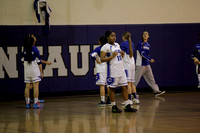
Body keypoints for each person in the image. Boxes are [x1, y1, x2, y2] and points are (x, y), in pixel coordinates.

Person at [101, 30, 137, 113]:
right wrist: (112, 56)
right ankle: (114, 106)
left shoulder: (117, 44)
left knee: (125, 87)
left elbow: (121, 53)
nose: (114, 37)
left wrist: (122, 53)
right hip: (112, 71)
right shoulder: (105, 47)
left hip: (121, 70)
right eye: (111, 36)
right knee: (112, 89)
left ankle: (127, 105)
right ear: (107, 37)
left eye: (115, 36)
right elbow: (102, 59)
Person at [134, 31, 165, 97]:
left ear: (148, 36)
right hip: (140, 65)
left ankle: (156, 91)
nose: (145, 35)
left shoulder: (148, 44)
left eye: (146, 34)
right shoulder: (140, 43)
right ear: (142, 36)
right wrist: (150, 59)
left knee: (151, 78)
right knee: (136, 79)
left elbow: (147, 54)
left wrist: (148, 59)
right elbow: (142, 54)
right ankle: (131, 93)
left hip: (147, 64)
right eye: (144, 34)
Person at [21, 34, 43, 109]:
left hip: (27, 70)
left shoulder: (24, 50)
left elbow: (22, 61)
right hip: (34, 70)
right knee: (35, 86)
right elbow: (39, 62)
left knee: (27, 87)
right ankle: (36, 103)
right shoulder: (35, 50)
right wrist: (41, 72)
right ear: (33, 42)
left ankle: (27, 103)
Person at [90, 36, 111, 107]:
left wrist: (96, 59)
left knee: (102, 85)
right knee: (108, 85)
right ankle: (109, 100)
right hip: (108, 69)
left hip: (101, 69)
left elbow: (92, 55)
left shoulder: (98, 48)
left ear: (99, 41)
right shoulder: (108, 48)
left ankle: (102, 101)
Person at [120, 32, 139, 104]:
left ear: (123, 37)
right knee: (131, 83)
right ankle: (135, 98)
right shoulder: (132, 43)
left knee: (128, 83)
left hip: (127, 65)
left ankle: (129, 100)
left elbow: (122, 54)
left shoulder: (123, 44)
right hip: (132, 64)